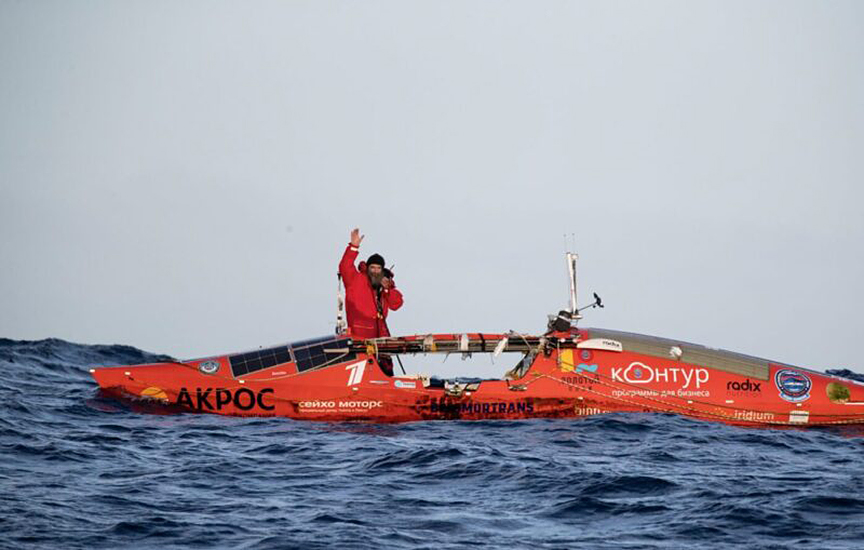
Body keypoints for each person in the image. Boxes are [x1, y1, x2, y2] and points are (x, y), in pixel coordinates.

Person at [339, 228, 404, 343]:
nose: (375, 271)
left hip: (380, 337)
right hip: (359, 337)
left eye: (378, 268)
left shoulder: (386, 286)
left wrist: (387, 290)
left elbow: (396, 304)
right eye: (372, 267)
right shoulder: (355, 280)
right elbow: (345, 266)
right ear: (367, 268)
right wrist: (353, 247)